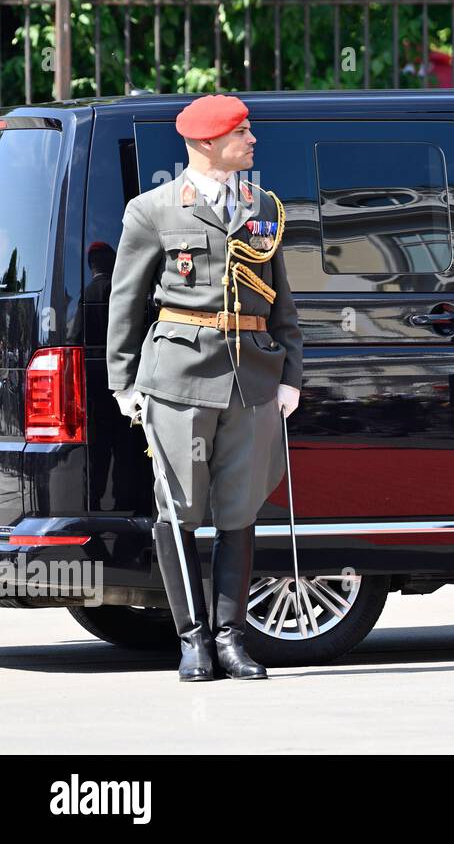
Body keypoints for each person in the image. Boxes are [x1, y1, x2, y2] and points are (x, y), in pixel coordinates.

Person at [106, 94, 303, 682]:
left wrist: (291, 373)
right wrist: (123, 382)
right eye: (241, 133)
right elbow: (127, 299)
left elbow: (281, 298)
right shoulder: (154, 209)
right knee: (179, 510)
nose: (253, 140)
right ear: (207, 144)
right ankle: (193, 640)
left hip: (252, 378)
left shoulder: (262, 205)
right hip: (180, 377)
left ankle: (232, 638)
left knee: (240, 509)